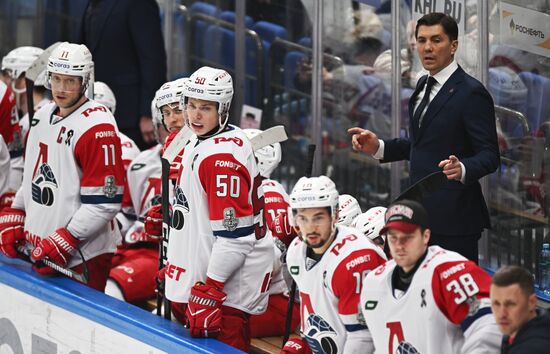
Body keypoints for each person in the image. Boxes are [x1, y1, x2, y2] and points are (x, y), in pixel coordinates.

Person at [348, 12, 500, 263]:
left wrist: (462, 168)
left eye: (436, 40)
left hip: (455, 221)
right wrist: (380, 147)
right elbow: (422, 145)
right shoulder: (421, 85)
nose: (427, 47)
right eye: (422, 40)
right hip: (419, 215)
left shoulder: (472, 93)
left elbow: (490, 155)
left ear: (454, 46)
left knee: (453, 299)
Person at [145, 66, 273, 352]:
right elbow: (199, 207)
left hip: (226, 294)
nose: (195, 115)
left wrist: (211, 288)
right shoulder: (197, 138)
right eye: (190, 105)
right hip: (203, 281)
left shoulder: (222, 158)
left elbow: (236, 238)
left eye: (206, 108)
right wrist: (172, 218)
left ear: (223, 108)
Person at [0, 42, 125, 291]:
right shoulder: (42, 114)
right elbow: (34, 174)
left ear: (85, 80)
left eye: (70, 81)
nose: (61, 88)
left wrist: (69, 238)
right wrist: (17, 210)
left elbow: (105, 201)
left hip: (83, 255)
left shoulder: (98, 126)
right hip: (42, 246)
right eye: (56, 79)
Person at [360, 199, 501, 354]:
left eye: (407, 237)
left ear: (425, 236)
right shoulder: (374, 281)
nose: (399, 245)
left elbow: (490, 326)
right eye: (393, 237)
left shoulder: (451, 270)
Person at [282, 175, 386, 354]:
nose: (310, 227)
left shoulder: (357, 259)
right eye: (303, 218)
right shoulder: (296, 251)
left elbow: (363, 339)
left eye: (318, 217)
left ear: (335, 215)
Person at [77, 0, 167, 150]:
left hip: (130, 116)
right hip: (95, 109)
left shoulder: (139, 3)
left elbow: (153, 60)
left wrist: (148, 113)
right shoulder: (91, 4)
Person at [242, 128, 301, 338]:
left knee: (221, 324)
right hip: (260, 297)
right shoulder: (248, 190)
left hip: (277, 302)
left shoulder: (270, 194)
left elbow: (271, 261)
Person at [490, 265, 550, 354]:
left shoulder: (533, 349)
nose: (502, 314)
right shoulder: (515, 330)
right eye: (496, 304)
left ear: (532, 302)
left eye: (510, 304)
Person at [92, 81, 140, 171]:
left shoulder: (126, 147)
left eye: (102, 110)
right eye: (90, 111)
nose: (96, 116)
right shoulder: (71, 139)